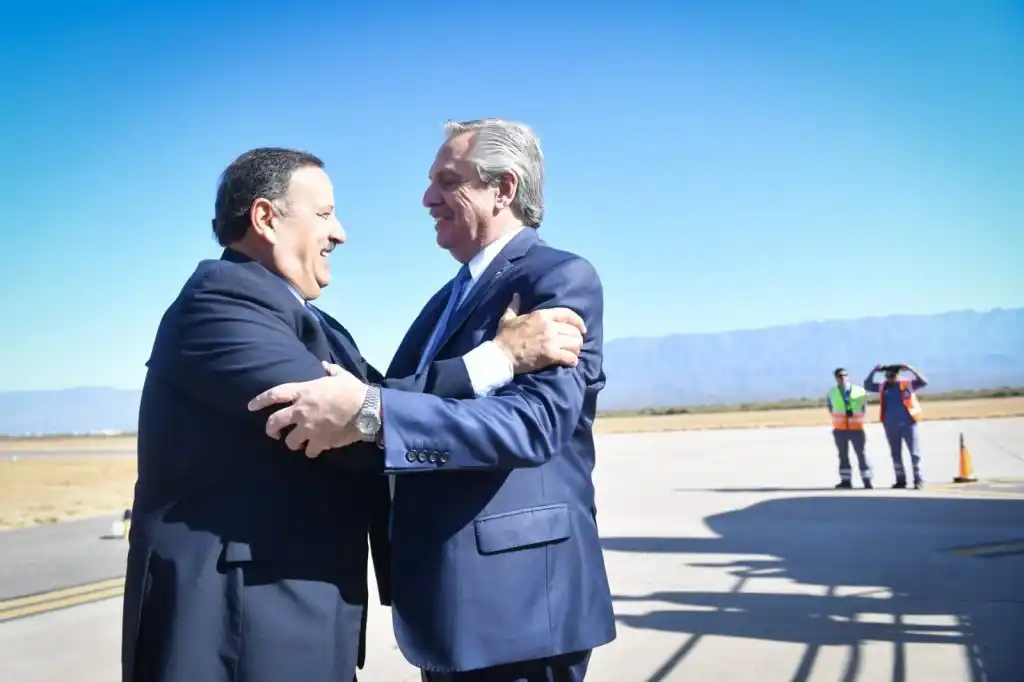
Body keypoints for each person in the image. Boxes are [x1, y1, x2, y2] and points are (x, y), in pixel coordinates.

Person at [121, 147, 587, 682]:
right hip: (235, 623)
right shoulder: (219, 306)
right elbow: (348, 424)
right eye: (323, 214)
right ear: (265, 219)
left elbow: (378, 400)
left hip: (291, 608)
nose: (339, 232)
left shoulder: (312, 322)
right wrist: (499, 358)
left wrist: (371, 405)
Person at [249, 118, 616, 681]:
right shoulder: (446, 301)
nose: (428, 198)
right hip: (452, 606)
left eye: (448, 181)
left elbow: (534, 425)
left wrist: (369, 413)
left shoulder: (558, 279)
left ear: (504, 189)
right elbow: (404, 394)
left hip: (519, 607)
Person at [863, 363, 928, 489]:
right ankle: (900, 480)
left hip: (908, 423)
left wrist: (911, 368)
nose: (890, 377)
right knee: (895, 454)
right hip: (891, 425)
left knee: (914, 453)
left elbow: (924, 382)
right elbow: (867, 385)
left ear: (898, 375)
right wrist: (874, 370)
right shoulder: (883, 386)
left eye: (893, 375)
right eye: (888, 375)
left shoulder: (907, 384)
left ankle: (918, 479)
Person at [827, 367, 873, 489]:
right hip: (840, 430)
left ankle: (867, 480)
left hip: (856, 429)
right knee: (842, 455)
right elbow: (831, 408)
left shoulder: (859, 391)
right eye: (839, 376)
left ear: (848, 376)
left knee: (861, 454)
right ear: (836, 378)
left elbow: (863, 408)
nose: (842, 378)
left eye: (844, 375)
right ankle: (846, 481)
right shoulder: (832, 392)